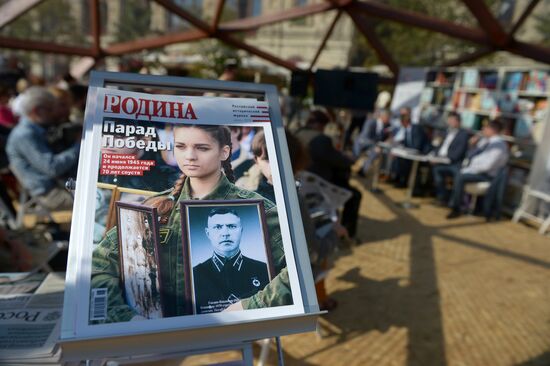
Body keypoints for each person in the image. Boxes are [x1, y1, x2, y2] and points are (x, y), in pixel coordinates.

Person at [91, 124, 291, 322]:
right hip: (155, 340)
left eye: (202, 148)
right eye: (180, 147)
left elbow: (296, 269)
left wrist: (250, 306)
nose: (189, 156)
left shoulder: (257, 209)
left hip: (228, 339)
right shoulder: (154, 206)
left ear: (224, 152)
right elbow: (99, 266)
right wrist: (127, 318)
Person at [6, 86, 79, 210]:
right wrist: (78, 146)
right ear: (37, 111)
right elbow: (52, 168)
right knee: (100, 200)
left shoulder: (34, 130)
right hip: (50, 193)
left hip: (59, 186)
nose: (53, 113)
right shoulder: (25, 135)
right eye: (50, 109)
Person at [295, 110, 362, 240]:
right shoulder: (321, 139)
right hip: (318, 183)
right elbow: (338, 160)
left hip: (300, 179)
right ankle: (347, 234)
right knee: (355, 195)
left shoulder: (298, 133)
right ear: (321, 125)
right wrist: (350, 159)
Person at [193, 208, 270, 314]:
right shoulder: (194, 275)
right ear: (208, 233)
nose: (225, 233)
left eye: (231, 226)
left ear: (241, 230)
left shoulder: (264, 269)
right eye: (218, 227)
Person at [447, 120, 509, 219]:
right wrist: (472, 145)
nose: (483, 130)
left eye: (485, 128)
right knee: (457, 172)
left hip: (487, 175)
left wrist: (469, 169)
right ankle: (457, 204)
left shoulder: (499, 146)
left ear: (492, 130)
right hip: (475, 171)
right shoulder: (485, 142)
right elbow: (472, 156)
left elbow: (486, 166)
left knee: (460, 177)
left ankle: (456, 208)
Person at [431, 112, 470, 204]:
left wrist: (440, 160)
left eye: (452, 120)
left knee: (457, 175)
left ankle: (453, 202)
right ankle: (442, 197)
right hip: (441, 160)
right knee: (436, 170)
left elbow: (457, 154)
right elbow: (438, 146)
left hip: (455, 163)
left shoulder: (463, 134)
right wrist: (435, 156)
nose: (450, 122)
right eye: (449, 120)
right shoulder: (445, 132)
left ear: (458, 122)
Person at [391, 107, 429, 187]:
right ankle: (400, 180)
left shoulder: (416, 129)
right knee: (399, 159)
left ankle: (410, 185)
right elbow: (405, 142)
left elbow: (417, 146)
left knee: (404, 162)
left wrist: (406, 149)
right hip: (411, 153)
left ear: (404, 122)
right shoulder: (406, 129)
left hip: (421, 154)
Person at [353, 109, 393, 176]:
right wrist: (375, 146)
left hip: (374, 146)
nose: (389, 119)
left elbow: (385, 138)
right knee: (376, 150)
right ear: (382, 116)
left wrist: (389, 138)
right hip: (362, 143)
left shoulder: (388, 125)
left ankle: (364, 170)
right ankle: (355, 167)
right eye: (388, 117)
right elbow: (366, 137)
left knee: (376, 152)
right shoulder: (371, 122)